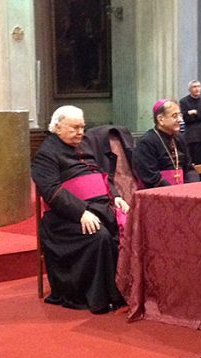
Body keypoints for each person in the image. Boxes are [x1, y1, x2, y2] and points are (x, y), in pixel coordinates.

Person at [31, 105, 129, 313]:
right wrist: (81, 212)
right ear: (57, 128)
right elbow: (52, 191)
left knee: (128, 230)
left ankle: (124, 290)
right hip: (65, 219)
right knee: (99, 236)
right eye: (74, 128)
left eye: (82, 127)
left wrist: (116, 196)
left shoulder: (83, 146)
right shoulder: (45, 154)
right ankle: (101, 296)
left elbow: (100, 173)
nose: (80, 133)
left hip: (100, 207)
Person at [133, 99, 199, 188]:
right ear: (160, 119)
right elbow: (151, 177)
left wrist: (192, 186)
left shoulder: (179, 138)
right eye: (175, 116)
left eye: (180, 115)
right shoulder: (146, 142)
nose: (180, 120)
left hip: (182, 190)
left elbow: (189, 167)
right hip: (159, 193)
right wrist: (172, 190)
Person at [179, 80, 201, 177]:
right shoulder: (183, 101)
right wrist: (199, 113)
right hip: (191, 138)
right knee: (193, 165)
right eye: (194, 87)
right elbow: (186, 118)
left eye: (198, 86)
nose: (197, 89)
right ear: (189, 89)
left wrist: (193, 112)